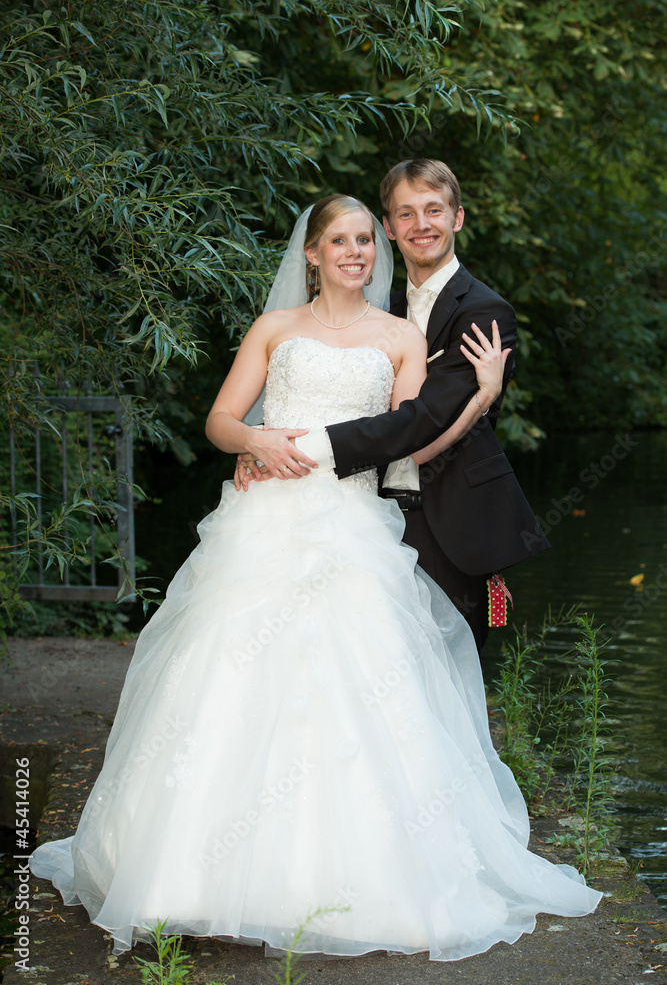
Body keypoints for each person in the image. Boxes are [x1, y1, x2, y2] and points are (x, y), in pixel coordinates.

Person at [30, 195, 600, 960]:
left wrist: (483, 396)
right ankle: (189, 875)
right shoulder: (274, 328)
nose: (356, 251)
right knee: (227, 680)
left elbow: (409, 445)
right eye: (340, 240)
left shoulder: (401, 338)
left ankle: (361, 882)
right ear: (312, 252)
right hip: (263, 523)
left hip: (352, 529)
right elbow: (219, 421)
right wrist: (255, 441)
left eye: (366, 239)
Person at [237, 160, 550, 652]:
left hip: (445, 518)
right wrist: (258, 439)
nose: (421, 225)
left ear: (457, 217)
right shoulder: (384, 308)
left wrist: (292, 448)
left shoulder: (484, 312)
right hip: (367, 514)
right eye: (406, 214)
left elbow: (420, 424)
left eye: (434, 210)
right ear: (389, 228)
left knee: (443, 675)